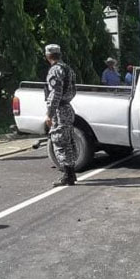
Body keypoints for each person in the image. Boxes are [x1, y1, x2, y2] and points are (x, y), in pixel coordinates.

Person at [45, 44, 78, 187]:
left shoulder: (55, 70)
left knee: (59, 141)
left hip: (59, 110)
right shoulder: (68, 69)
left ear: (48, 56)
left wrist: (49, 114)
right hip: (68, 107)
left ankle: (67, 175)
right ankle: (71, 173)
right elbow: (74, 89)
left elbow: (55, 93)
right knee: (68, 141)